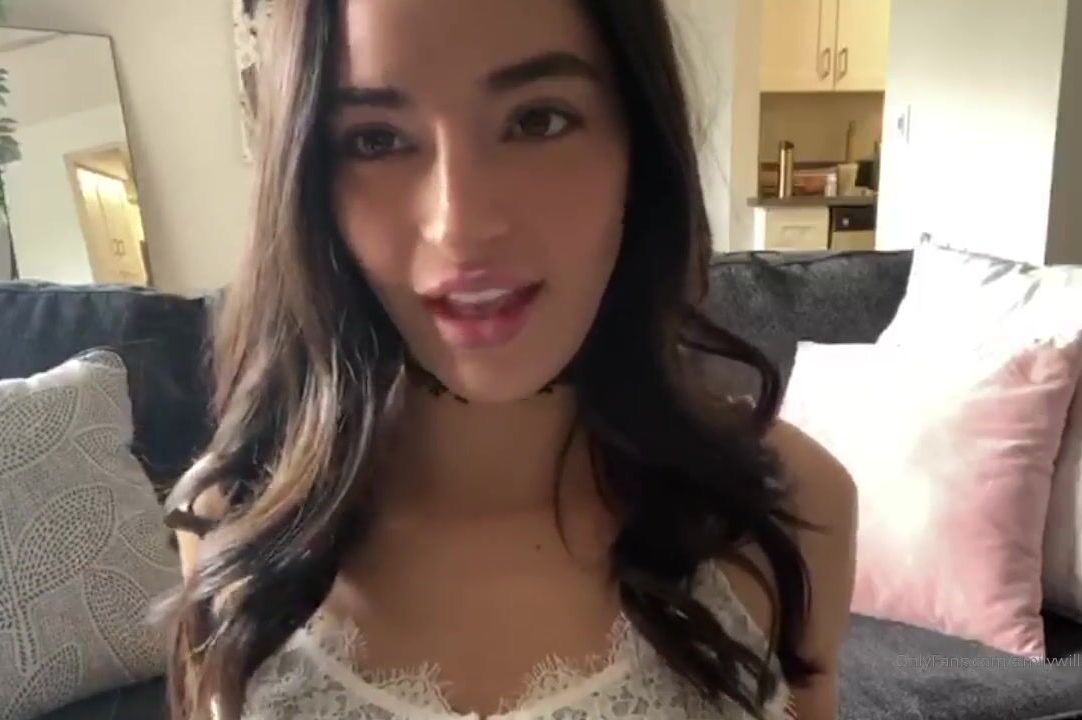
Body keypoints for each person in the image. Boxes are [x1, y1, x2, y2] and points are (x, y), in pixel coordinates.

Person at [162, 1, 857, 718]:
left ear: (639, 147)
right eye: (376, 140)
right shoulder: (230, 522)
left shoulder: (794, 511)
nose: (460, 226)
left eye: (537, 121)